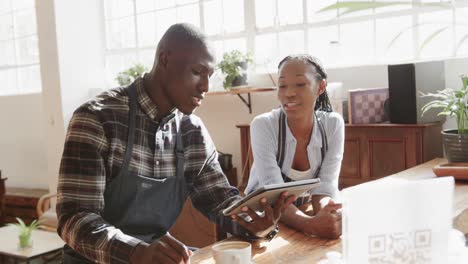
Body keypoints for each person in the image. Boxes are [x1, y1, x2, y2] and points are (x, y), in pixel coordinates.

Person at [56, 23, 295, 264]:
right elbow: (75, 218)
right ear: (165, 59)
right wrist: (135, 252)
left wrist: (255, 224)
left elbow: (220, 200)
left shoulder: (191, 130)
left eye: (209, 76)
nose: (206, 87)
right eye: (197, 72)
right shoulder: (98, 118)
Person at [245, 54, 344, 239]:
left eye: (300, 84)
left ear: (321, 87)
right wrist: (310, 224)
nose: (289, 93)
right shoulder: (263, 126)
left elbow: (326, 185)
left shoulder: (333, 125)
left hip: (299, 214)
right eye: (282, 86)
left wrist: (326, 214)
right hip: (259, 223)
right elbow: (274, 196)